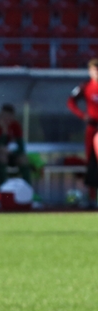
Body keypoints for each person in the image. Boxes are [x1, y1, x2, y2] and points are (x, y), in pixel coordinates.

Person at [66, 59, 98, 206]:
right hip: (92, 128)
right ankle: (92, 197)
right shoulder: (85, 87)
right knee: (91, 162)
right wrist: (82, 115)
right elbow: (71, 102)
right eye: (94, 70)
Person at [0, 103, 31, 188]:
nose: (6, 119)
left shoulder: (15, 126)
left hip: (10, 154)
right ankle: (3, 188)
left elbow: (21, 146)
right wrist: (4, 133)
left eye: (9, 117)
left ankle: (28, 188)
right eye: (4, 116)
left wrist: (12, 151)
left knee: (23, 159)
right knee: (2, 156)